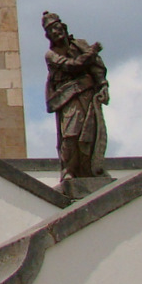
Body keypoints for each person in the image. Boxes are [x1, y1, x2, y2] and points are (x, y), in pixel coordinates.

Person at [43, 12, 109, 180]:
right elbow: (72, 66)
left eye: (58, 29)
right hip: (67, 96)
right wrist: (92, 51)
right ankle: (68, 170)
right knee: (70, 134)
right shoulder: (51, 55)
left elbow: (96, 67)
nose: (57, 33)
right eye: (52, 32)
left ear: (63, 28)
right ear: (48, 36)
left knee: (89, 135)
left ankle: (91, 170)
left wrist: (102, 85)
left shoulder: (80, 44)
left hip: (87, 95)